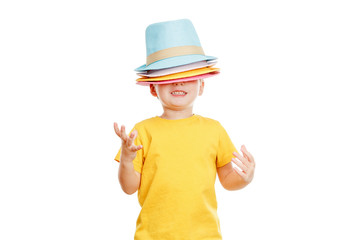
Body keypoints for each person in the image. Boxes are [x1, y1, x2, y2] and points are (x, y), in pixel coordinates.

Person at [113, 19, 255, 240]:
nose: (178, 83)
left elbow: (228, 179)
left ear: (202, 86)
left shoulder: (213, 130)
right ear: (153, 88)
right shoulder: (141, 133)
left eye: (187, 75)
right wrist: (126, 159)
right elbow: (129, 187)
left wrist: (245, 178)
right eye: (169, 76)